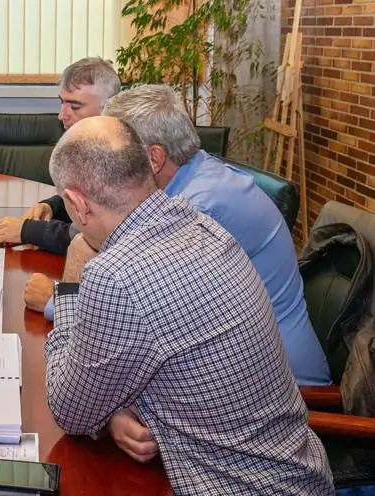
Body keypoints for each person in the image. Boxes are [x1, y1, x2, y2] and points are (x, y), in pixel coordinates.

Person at [45, 115, 339, 496]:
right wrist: (112, 413)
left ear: (77, 202)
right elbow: (170, 360)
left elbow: (69, 408)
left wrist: (71, 280)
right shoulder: (199, 224)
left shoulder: (117, 275)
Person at [34, 84, 330, 386]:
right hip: (222, 368)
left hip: (279, 387)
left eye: (116, 152)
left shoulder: (197, 209)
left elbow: (139, 322)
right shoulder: (195, 174)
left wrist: (57, 301)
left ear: (153, 158)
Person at [0, 57, 120, 254]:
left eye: (74, 107)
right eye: (62, 103)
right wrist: (53, 207)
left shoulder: (122, 156)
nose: (62, 115)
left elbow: (93, 237)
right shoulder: (90, 145)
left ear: (108, 107)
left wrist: (27, 231)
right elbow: (86, 199)